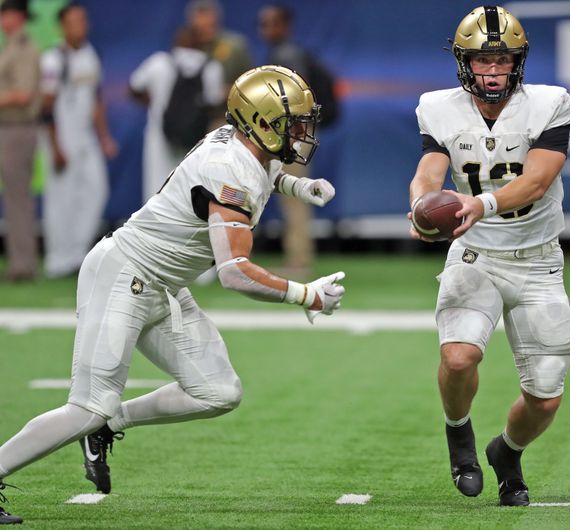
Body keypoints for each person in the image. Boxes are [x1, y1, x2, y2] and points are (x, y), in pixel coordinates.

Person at [0, 65, 345, 525]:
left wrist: (297, 185)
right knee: (87, 404)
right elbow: (236, 273)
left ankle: (110, 423)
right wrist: (306, 294)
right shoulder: (227, 170)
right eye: (293, 123)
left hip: (161, 284)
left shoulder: (236, 139)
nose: (302, 132)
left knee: (218, 391)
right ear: (261, 123)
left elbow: (265, 168)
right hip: (123, 275)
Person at [408, 6, 570, 507]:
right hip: (476, 255)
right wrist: (420, 203)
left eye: (503, 60)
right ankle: (458, 433)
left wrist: (478, 203)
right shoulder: (438, 107)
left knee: (545, 395)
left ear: (518, 62)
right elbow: (429, 168)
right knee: (458, 357)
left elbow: (538, 180)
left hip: (538, 259)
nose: (493, 70)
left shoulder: (551, 103)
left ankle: (507, 451)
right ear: (464, 63)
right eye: (483, 60)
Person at [40, 2, 118, 278]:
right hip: (62, 137)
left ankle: (77, 254)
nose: (81, 26)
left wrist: (104, 137)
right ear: (63, 26)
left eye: (83, 20)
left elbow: (96, 99)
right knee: (61, 198)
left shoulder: (89, 54)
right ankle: (57, 259)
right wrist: (56, 146)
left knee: (96, 190)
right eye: (74, 21)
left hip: (86, 138)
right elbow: (46, 106)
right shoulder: (53, 59)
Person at [259, 4, 326, 278]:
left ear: (284, 25)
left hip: (293, 136)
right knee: (291, 196)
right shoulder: (284, 53)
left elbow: (299, 95)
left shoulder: (287, 55)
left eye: (270, 23)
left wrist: (292, 136)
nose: (264, 30)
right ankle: (297, 258)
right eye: (262, 24)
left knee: (293, 195)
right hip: (292, 134)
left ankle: (299, 262)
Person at [130, 27, 225, 202]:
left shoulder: (159, 62)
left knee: (156, 191)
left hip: (159, 137)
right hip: (196, 141)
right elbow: (214, 103)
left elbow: (134, 88)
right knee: (190, 194)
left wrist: (156, 102)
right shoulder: (212, 68)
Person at [0, 0, 39, 282]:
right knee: (14, 198)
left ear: (20, 16)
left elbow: (23, 94)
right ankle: (19, 262)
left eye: (8, 12)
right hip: (7, 126)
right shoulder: (11, 46)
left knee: (17, 198)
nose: (4, 18)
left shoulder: (25, 47)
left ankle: (23, 265)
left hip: (17, 127)